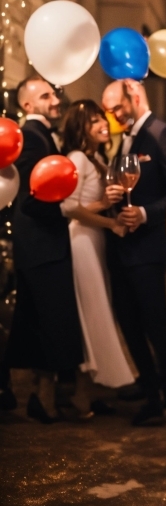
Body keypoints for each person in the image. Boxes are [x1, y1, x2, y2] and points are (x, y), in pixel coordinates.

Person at [3, 78, 84, 422]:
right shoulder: (31, 140)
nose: (55, 99)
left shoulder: (41, 135)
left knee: (45, 322)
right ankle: (45, 399)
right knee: (49, 323)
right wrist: (70, 209)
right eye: (45, 95)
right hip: (40, 245)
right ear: (27, 106)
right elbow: (30, 201)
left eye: (54, 93)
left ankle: (43, 395)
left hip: (43, 243)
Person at [101, 79, 166, 426]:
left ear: (134, 97)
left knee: (153, 325)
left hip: (147, 249)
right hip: (120, 248)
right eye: (109, 110)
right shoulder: (125, 137)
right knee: (128, 323)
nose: (114, 115)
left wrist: (145, 214)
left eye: (117, 107)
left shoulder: (161, 134)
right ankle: (148, 384)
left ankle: (163, 392)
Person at [60, 100, 134, 415]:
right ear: (80, 128)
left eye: (101, 119)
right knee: (91, 315)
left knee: (96, 313)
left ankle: (90, 390)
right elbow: (69, 208)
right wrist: (109, 219)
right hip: (83, 241)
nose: (103, 125)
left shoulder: (96, 157)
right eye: (94, 122)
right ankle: (80, 395)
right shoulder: (77, 158)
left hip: (95, 241)